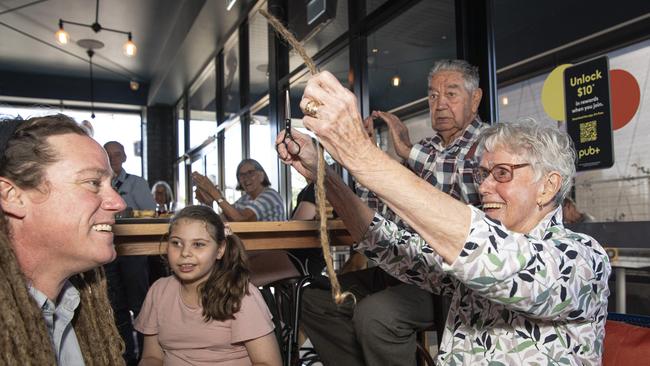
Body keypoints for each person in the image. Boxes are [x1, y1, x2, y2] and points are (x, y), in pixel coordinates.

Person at [280, 69, 611, 364]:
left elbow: (490, 253)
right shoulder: (474, 265)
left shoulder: (581, 259)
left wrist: (361, 154)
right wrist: (322, 174)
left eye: (502, 173)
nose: (484, 186)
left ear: (548, 186)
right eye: (484, 174)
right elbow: (387, 245)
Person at [286, 59, 489, 366]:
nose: (440, 104)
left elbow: (456, 189)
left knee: (375, 316)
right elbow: (383, 213)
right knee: (311, 298)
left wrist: (397, 154)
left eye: (451, 94)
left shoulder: (488, 143)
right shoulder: (427, 148)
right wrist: (370, 158)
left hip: (452, 282)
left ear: (475, 99)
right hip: (407, 267)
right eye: (433, 96)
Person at [0, 114, 125, 364]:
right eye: (92, 183)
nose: (119, 203)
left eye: (112, 185)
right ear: (12, 196)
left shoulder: (76, 310)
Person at [134, 205, 282, 366]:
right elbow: (152, 357)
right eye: (176, 243)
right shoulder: (159, 291)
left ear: (220, 250)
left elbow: (267, 362)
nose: (185, 253)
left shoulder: (240, 295)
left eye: (198, 244)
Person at [104, 140, 157, 364]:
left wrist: (127, 211)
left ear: (125, 157)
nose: (114, 158)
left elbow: (150, 214)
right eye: (109, 155)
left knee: (140, 305)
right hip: (108, 250)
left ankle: (150, 355)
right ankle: (126, 358)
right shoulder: (101, 183)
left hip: (134, 251)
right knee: (116, 308)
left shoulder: (137, 183)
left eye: (117, 154)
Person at [192, 159, 285, 222]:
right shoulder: (245, 199)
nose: (246, 178)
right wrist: (209, 203)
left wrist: (214, 193)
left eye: (250, 173)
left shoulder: (270, 195)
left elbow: (241, 220)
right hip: (252, 247)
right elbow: (221, 221)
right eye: (242, 175)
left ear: (261, 176)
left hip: (271, 249)